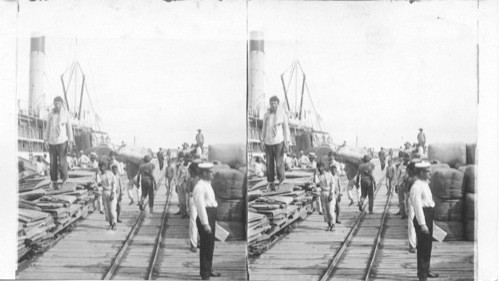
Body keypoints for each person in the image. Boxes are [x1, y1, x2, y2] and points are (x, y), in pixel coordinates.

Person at [410, 161, 439, 281]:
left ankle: (426, 270)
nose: (430, 173)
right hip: (422, 217)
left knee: (428, 246)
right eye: (428, 171)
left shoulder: (425, 183)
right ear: (421, 172)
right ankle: (421, 275)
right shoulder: (416, 186)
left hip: (428, 215)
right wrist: (422, 224)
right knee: (422, 247)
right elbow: (417, 206)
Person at [193, 162, 220, 280]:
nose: (213, 174)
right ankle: (204, 274)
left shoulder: (207, 184)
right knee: (205, 246)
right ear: (204, 173)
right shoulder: (199, 187)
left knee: (210, 245)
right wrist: (205, 224)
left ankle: (208, 269)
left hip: (211, 216)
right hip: (206, 218)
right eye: (211, 172)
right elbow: (200, 207)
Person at [260, 96, 291, 191]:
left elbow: (286, 128)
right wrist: (262, 140)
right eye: (272, 103)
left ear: (278, 104)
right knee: (269, 164)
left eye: (275, 103)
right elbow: (264, 128)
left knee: (279, 163)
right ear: (269, 104)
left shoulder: (282, 114)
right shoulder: (266, 115)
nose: (273, 105)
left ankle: (281, 181)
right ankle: (271, 183)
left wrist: (287, 141)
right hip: (268, 142)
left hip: (278, 141)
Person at [43, 96, 74, 189]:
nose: (57, 105)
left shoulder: (66, 114)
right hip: (52, 141)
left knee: (62, 162)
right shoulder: (50, 115)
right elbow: (47, 128)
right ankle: (54, 182)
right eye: (55, 104)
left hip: (62, 141)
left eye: (59, 104)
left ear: (62, 104)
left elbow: (69, 128)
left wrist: (70, 141)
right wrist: (45, 140)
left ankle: (65, 180)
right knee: (52, 163)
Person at [314, 162, 337, 231]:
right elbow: (316, 183)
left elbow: (333, 183)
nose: (320, 169)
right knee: (325, 210)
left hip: (329, 192)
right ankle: (329, 224)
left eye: (321, 167)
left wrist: (332, 193)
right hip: (322, 193)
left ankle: (333, 224)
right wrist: (315, 174)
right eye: (318, 167)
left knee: (330, 210)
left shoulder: (328, 174)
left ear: (323, 167)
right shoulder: (318, 176)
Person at [97, 160, 117, 230]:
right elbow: (98, 184)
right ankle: (110, 223)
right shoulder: (99, 175)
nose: (101, 168)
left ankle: (114, 223)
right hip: (104, 193)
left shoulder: (110, 173)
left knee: (112, 209)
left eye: (102, 166)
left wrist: (113, 192)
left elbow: (114, 183)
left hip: (110, 191)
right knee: (106, 209)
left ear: (105, 167)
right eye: (100, 167)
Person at [187, 161, 200, 252]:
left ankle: (193, 244)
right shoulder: (202, 179)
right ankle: (199, 241)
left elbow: (188, 192)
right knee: (202, 221)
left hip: (193, 199)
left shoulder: (191, 180)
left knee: (193, 222)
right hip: (201, 200)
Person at [395, 152, 410, 219]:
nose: (406, 159)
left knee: (408, 200)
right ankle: (403, 214)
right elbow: (397, 176)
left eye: (408, 158)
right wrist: (396, 185)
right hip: (401, 184)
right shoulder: (400, 166)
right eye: (405, 158)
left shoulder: (411, 166)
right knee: (401, 200)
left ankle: (408, 213)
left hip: (409, 184)